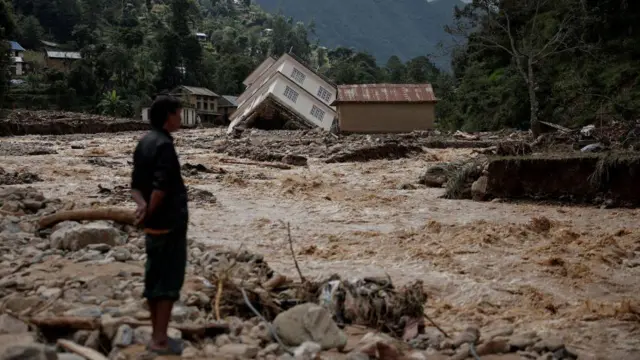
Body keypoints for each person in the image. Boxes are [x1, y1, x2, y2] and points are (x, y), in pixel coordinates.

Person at [130, 95, 188, 355]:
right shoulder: (164, 145)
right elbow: (161, 188)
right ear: (168, 117)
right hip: (168, 223)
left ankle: (156, 334)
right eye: (178, 113)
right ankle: (160, 340)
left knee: (154, 279)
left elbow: (135, 187)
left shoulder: (143, 143)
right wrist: (150, 209)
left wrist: (142, 209)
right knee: (168, 283)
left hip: (152, 226)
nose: (180, 118)